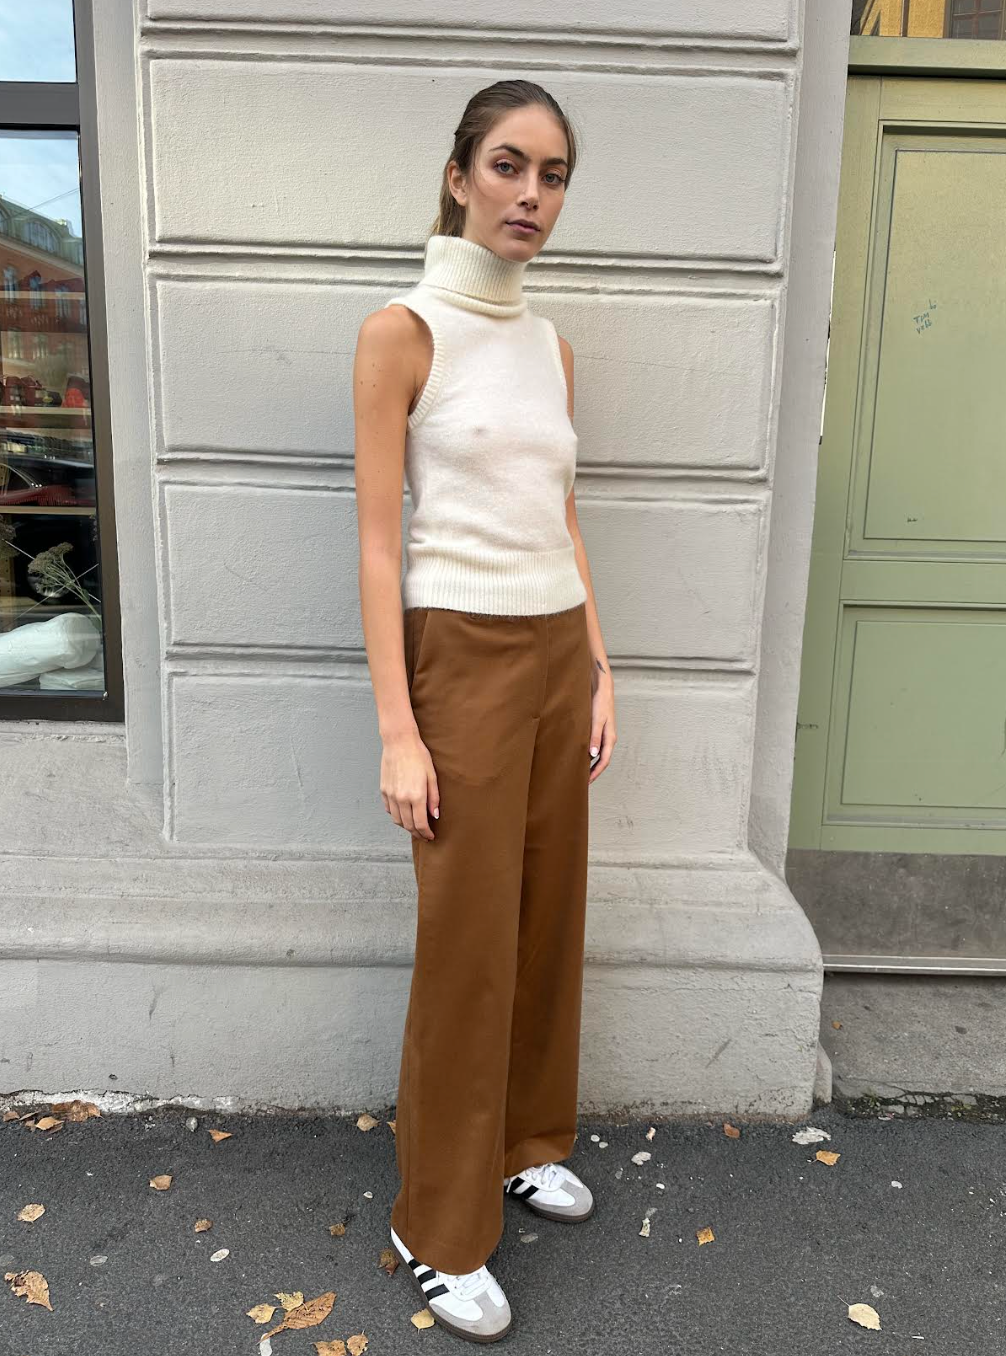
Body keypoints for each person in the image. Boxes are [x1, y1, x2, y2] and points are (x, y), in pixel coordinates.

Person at [352, 78, 617, 1344]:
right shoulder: (401, 332)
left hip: (558, 647)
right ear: (459, 176)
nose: (531, 194)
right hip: (458, 657)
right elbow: (375, 543)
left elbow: (560, 515)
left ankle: (525, 1142)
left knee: (546, 917)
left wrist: (601, 665)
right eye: (508, 165)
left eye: (552, 175)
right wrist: (398, 728)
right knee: (467, 944)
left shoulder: (550, 347)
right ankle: (435, 1225)